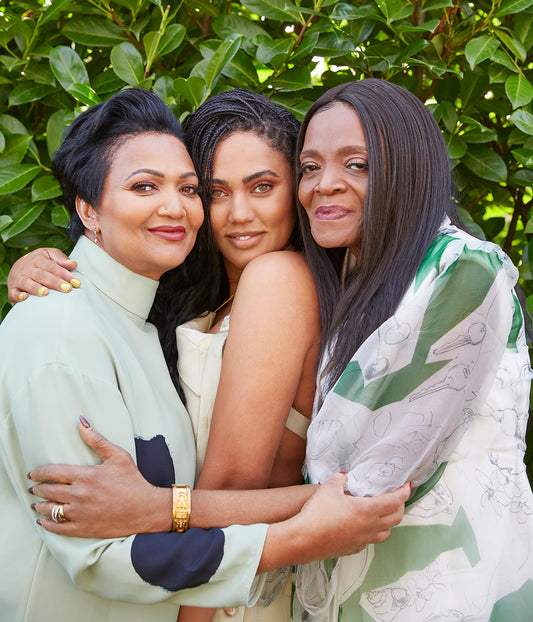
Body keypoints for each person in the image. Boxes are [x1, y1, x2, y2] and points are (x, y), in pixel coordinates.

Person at [1, 87, 410, 622]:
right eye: (214, 191)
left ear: (298, 191)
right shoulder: (171, 309)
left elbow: (232, 483)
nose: (239, 214)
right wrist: (47, 268)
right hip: (194, 580)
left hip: (218, 596)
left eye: (263, 186)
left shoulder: (277, 280)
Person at [290, 78, 533, 620]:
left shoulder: (465, 272)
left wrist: (168, 511)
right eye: (309, 167)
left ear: (407, 168)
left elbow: (361, 487)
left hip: (451, 594)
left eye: (357, 164)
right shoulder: (349, 282)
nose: (323, 185)